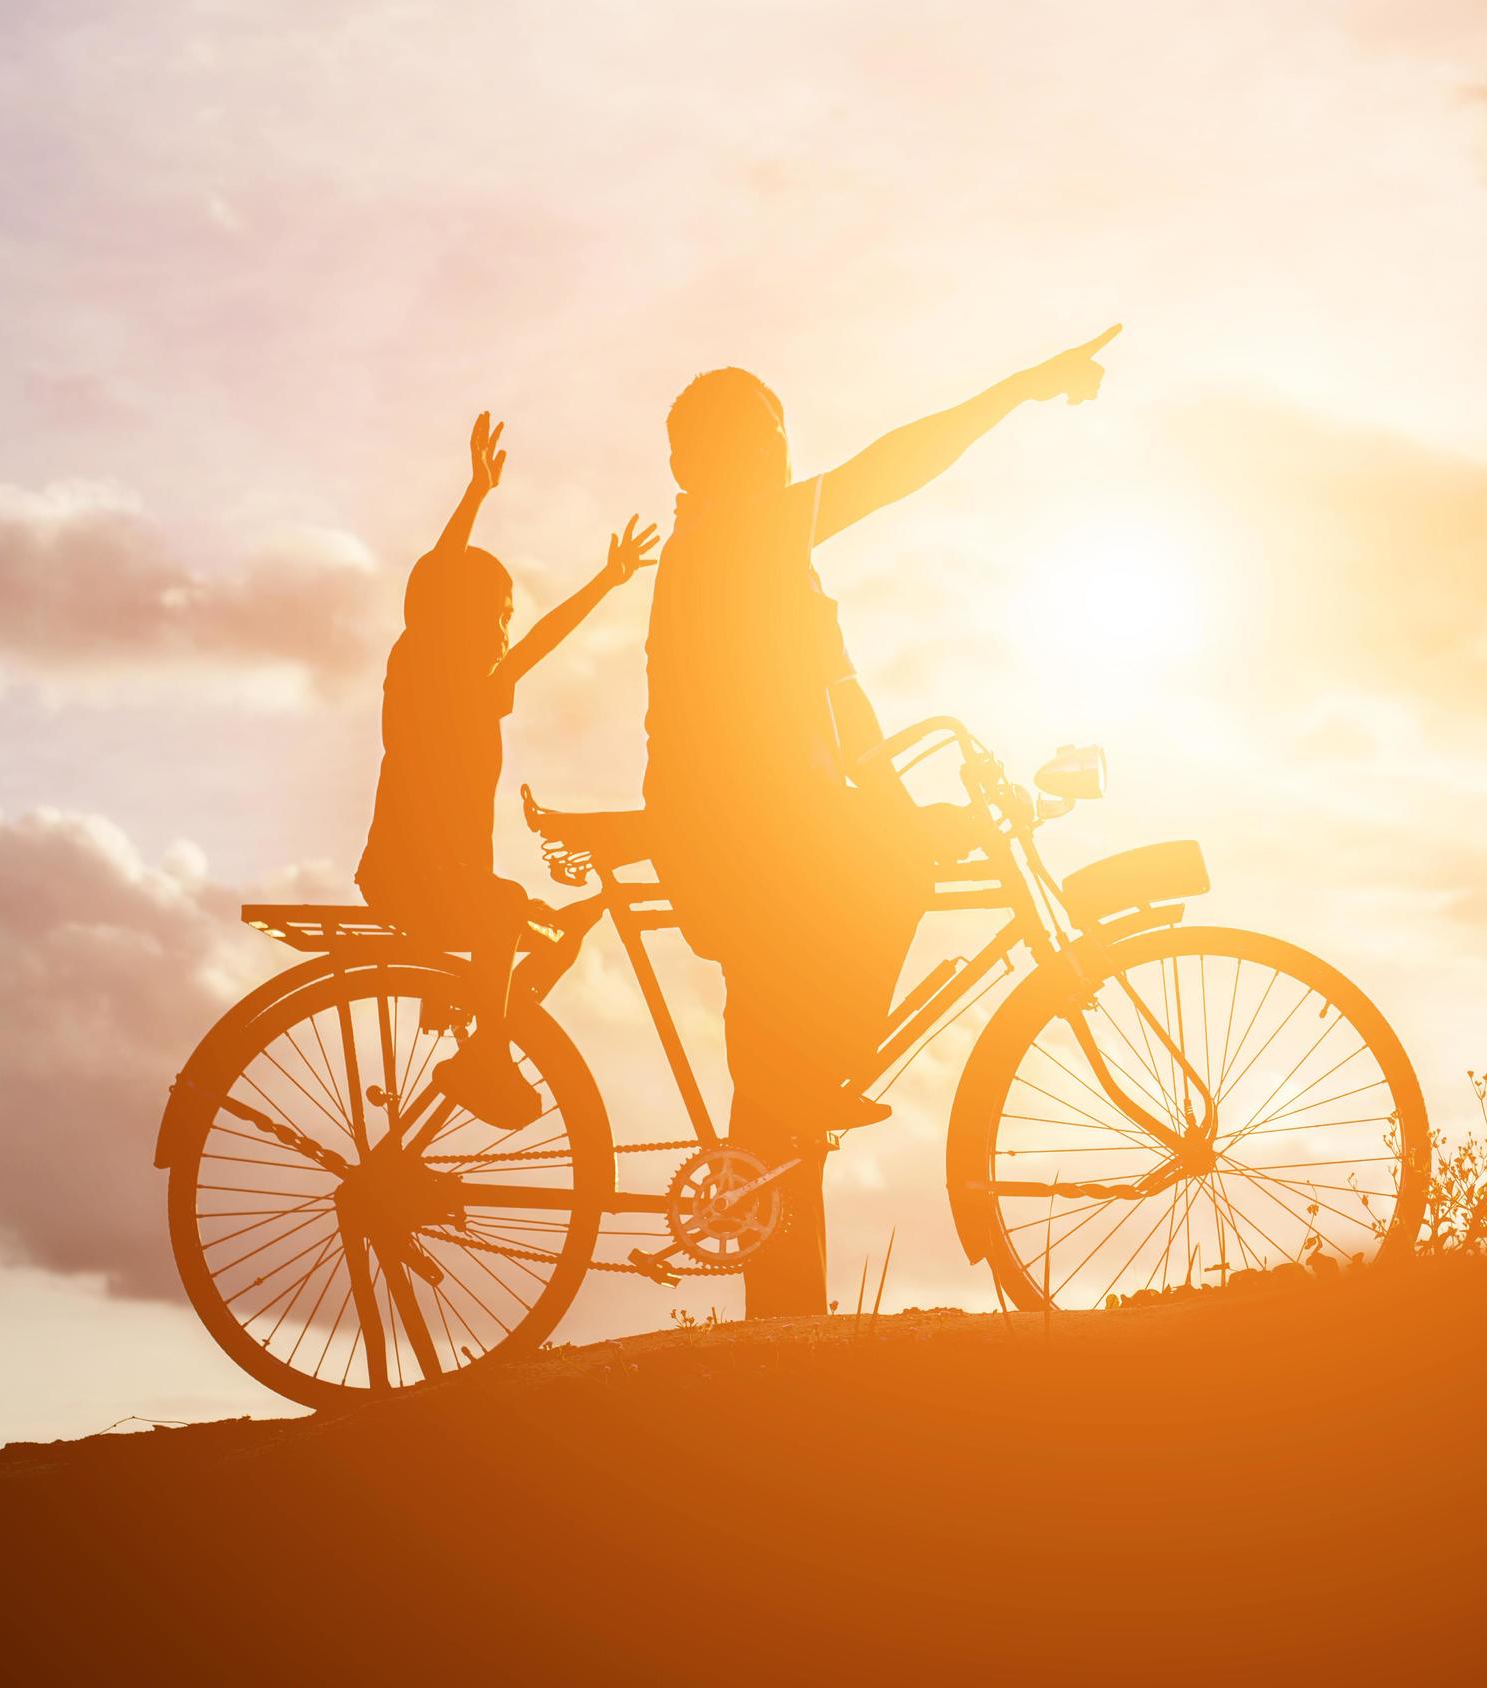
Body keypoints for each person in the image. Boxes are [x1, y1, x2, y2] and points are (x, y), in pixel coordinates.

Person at [644, 326, 1123, 1317]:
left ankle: (784, 1330)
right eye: (770, 431)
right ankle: (818, 1094)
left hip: (765, 827)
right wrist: (1019, 386)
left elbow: (837, 705)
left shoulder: (756, 558)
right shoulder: (743, 534)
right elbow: (889, 469)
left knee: (778, 1117)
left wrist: (902, 803)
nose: (785, 447)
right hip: (748, 836)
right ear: (733, 452)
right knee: (885, 891)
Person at [359, 411, 659, 1129]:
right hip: (409, 875)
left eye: (507, 616)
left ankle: (486, 1030)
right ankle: (485, 1057)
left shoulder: (481, 686)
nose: (504, 628)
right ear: (456, 612)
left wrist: (606, 583)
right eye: (495, 612)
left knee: (562, 927)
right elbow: (431, 584)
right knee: (501, 909)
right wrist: (474, 495)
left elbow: (544, 638)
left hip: (446, 878)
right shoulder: (422, 666)